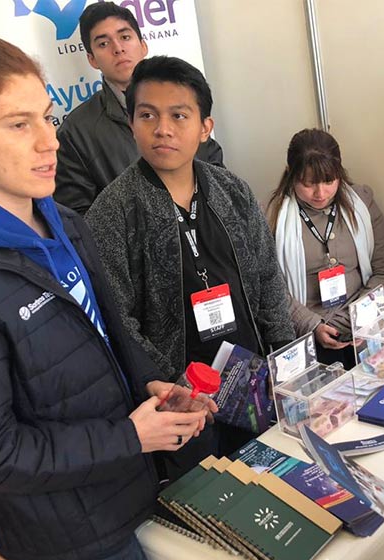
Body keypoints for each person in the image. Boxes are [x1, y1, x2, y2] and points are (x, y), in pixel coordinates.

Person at [0, 34, 213, 560]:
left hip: (128, 479)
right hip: (72, 524)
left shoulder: (62, 219)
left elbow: (107, 330)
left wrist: (151, 385)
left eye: (48, 117)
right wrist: (127, 437)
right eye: (19, 125)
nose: (51, 141)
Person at [85, 55, 294, 479]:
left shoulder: (231, 189)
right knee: (201, 500)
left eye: (179, 115)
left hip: (251, 382)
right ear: (131, 123)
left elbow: (268, 279)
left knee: (266, 485)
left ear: (204, 127)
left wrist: (287, 360)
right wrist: (169, 383)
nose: (163, 129)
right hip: (180, 398)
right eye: (148, 115)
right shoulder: (112, 212)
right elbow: (117, 321)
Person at [55, 2, 224, 214]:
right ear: (92, 59)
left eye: (125, 37)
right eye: (103, 43)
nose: (118, 48)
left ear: (143, 45)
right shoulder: (75, 132)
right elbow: (79, 219)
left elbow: (215, 172)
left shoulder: (185, 99)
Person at [263, 128, 384, 366]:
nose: (320, 193)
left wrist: (356, 316)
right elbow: (270, 287)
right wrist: (311, 324)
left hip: (365, 325)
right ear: (290, 175)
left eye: (329, 181)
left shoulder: (361, 202)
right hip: (305, 334)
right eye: (308, 183)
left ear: (340, 174)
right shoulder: (270, 216)